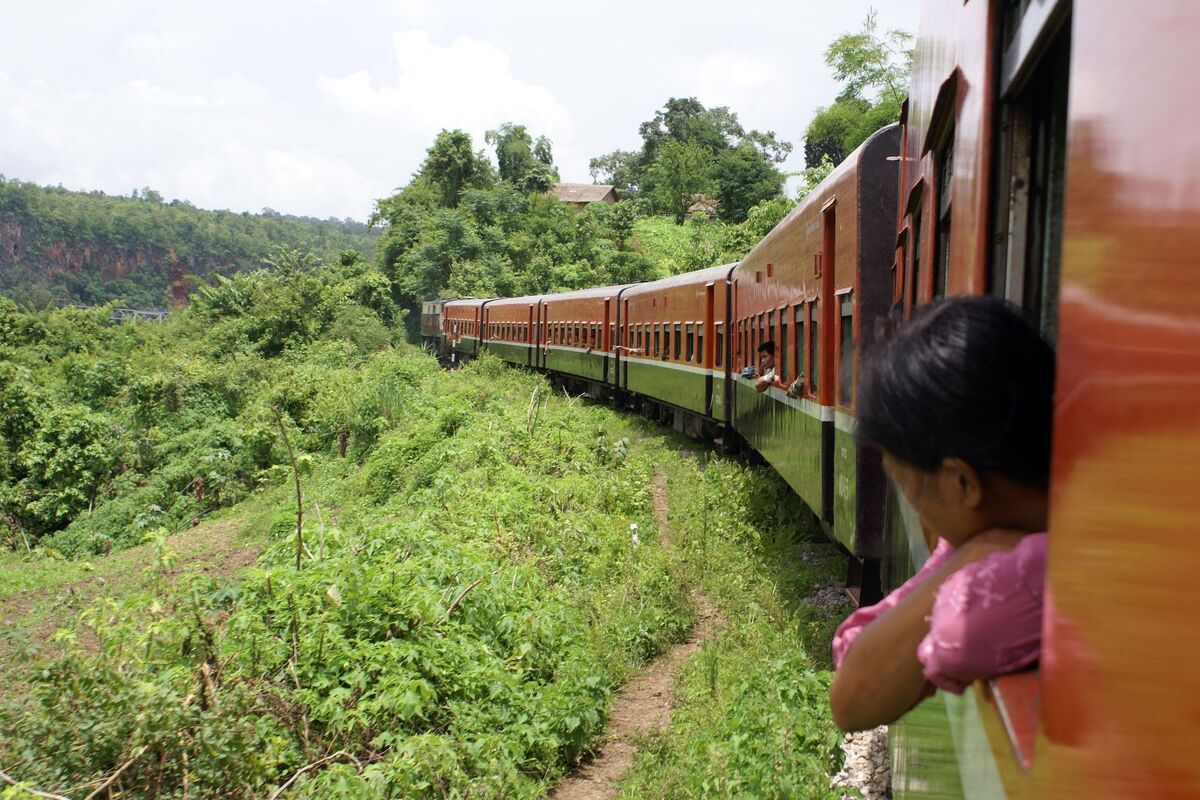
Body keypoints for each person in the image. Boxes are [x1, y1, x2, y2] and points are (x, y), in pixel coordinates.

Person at [828, 296, 1053, 733]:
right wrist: (973, 555)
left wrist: (973, 559)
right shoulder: (985, 535)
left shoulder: (1035, 567)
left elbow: (858, 699)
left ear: (960, 483)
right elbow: (855, 656)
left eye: (905, 485)